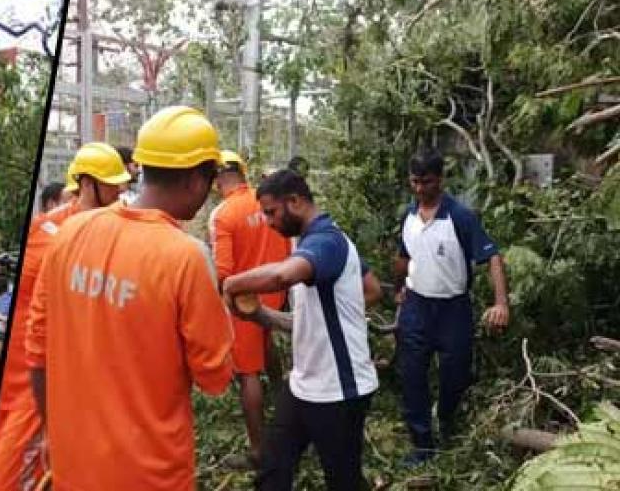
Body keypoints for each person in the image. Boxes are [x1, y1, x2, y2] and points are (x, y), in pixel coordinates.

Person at [25, 106, 236, 490]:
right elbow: (215, 378)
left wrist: (50, 432)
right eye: (210, 178)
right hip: (149, 476)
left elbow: (37, 352)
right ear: (194, 179)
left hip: (73, 465)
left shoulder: (71, 233)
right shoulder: (185, 257)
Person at [0, 142, 131, 490]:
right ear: (90, 183)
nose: (122, 188)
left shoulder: (62, 227)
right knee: (12, 468)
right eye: (114, 182)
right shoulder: (58, 233)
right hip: (39, 373)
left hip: (54, 370)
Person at [222, 169, 382, 490]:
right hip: (304, 385)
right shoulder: (312, 241)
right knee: (272, 467)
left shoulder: (326, 241)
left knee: (343, 480)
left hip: (340, 390)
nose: (268, 222)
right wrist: (261, 316)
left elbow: (282, 276)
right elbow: (371, 289)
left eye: (271, 212)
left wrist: (232, 283)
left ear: (294, 201)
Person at [394, 147, 509, 466]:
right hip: (417, 307)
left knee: (455, 374)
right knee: (413, 373)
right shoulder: (408, 216)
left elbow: (493, 257)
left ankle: (447, 423)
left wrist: (501, 303)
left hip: (452, 310)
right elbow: (404, 255)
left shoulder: (459, 216)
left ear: (440, 180)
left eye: (426, 182)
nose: (420, 189)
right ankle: (422, 444)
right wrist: (400, 287)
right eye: (415, 182)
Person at [207, 150, 291, 468]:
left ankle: (258, 450)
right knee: (266, 345)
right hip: (275, 288)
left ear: (217, 181)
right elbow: (286, 245)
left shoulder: (223, 214)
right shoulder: (266, 201)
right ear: (243, 173)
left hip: (244, 301)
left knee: (247, 372)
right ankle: (285, 406)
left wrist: (220, 302)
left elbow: (224, 271)